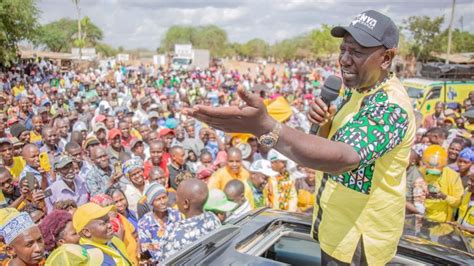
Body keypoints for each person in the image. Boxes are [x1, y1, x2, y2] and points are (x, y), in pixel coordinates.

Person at [186, 10, 415, 264]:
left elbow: (343, 157)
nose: (345, 60)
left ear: (386, 57)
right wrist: (324, 124)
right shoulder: (357, 91)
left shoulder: (391, 107)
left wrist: (264, 127)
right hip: (335, 229)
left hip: (359, 243)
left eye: (357, 52)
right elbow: (328, 145)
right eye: (343, 50)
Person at [159, 179, 221, 262]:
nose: (175, 201)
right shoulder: (213, 218)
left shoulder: (174, 236)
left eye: (176, 198)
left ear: (186, 204)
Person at [137, 183, 181, 262]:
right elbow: (145, 253)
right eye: (158, 199)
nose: (163, 202)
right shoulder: (144, 223)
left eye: (164, 198)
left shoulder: (176, 214)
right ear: (151, 203)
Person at [421, 145, 464, 222]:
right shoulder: (420, 172)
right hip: (421, 218)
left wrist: (444, 196)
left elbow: (458, 202)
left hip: (443, 222)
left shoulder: (453, 176)